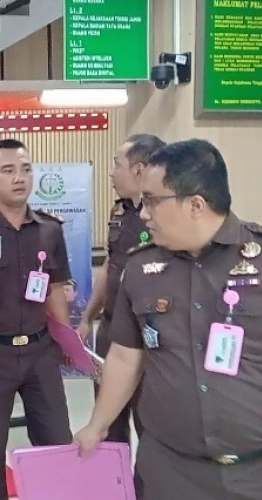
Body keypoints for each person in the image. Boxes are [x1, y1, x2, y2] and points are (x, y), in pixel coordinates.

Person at [75, 139, 262, 500]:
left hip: (253, 471)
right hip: (169, 470)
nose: (143, 214)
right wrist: (97, 425)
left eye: (152, 201)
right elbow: (125, 357)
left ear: (195, 204)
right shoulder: (141, 267)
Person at [0, 139, 74, 500]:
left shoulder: (49, 229)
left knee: (57, 441)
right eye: (8, 170)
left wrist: (68, 341)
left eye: (26, 169)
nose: (19, 178)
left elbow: (55, 288)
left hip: (41, 352)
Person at [77, 134, 165, 445]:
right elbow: (109, 267)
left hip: (149, 336)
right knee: (108, 423)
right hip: (112, 329)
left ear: (139, 169)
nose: (111, 173)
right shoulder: (120, 211)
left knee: (149, 425)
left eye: (117, 164)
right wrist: (88, 317)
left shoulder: (165, 218)